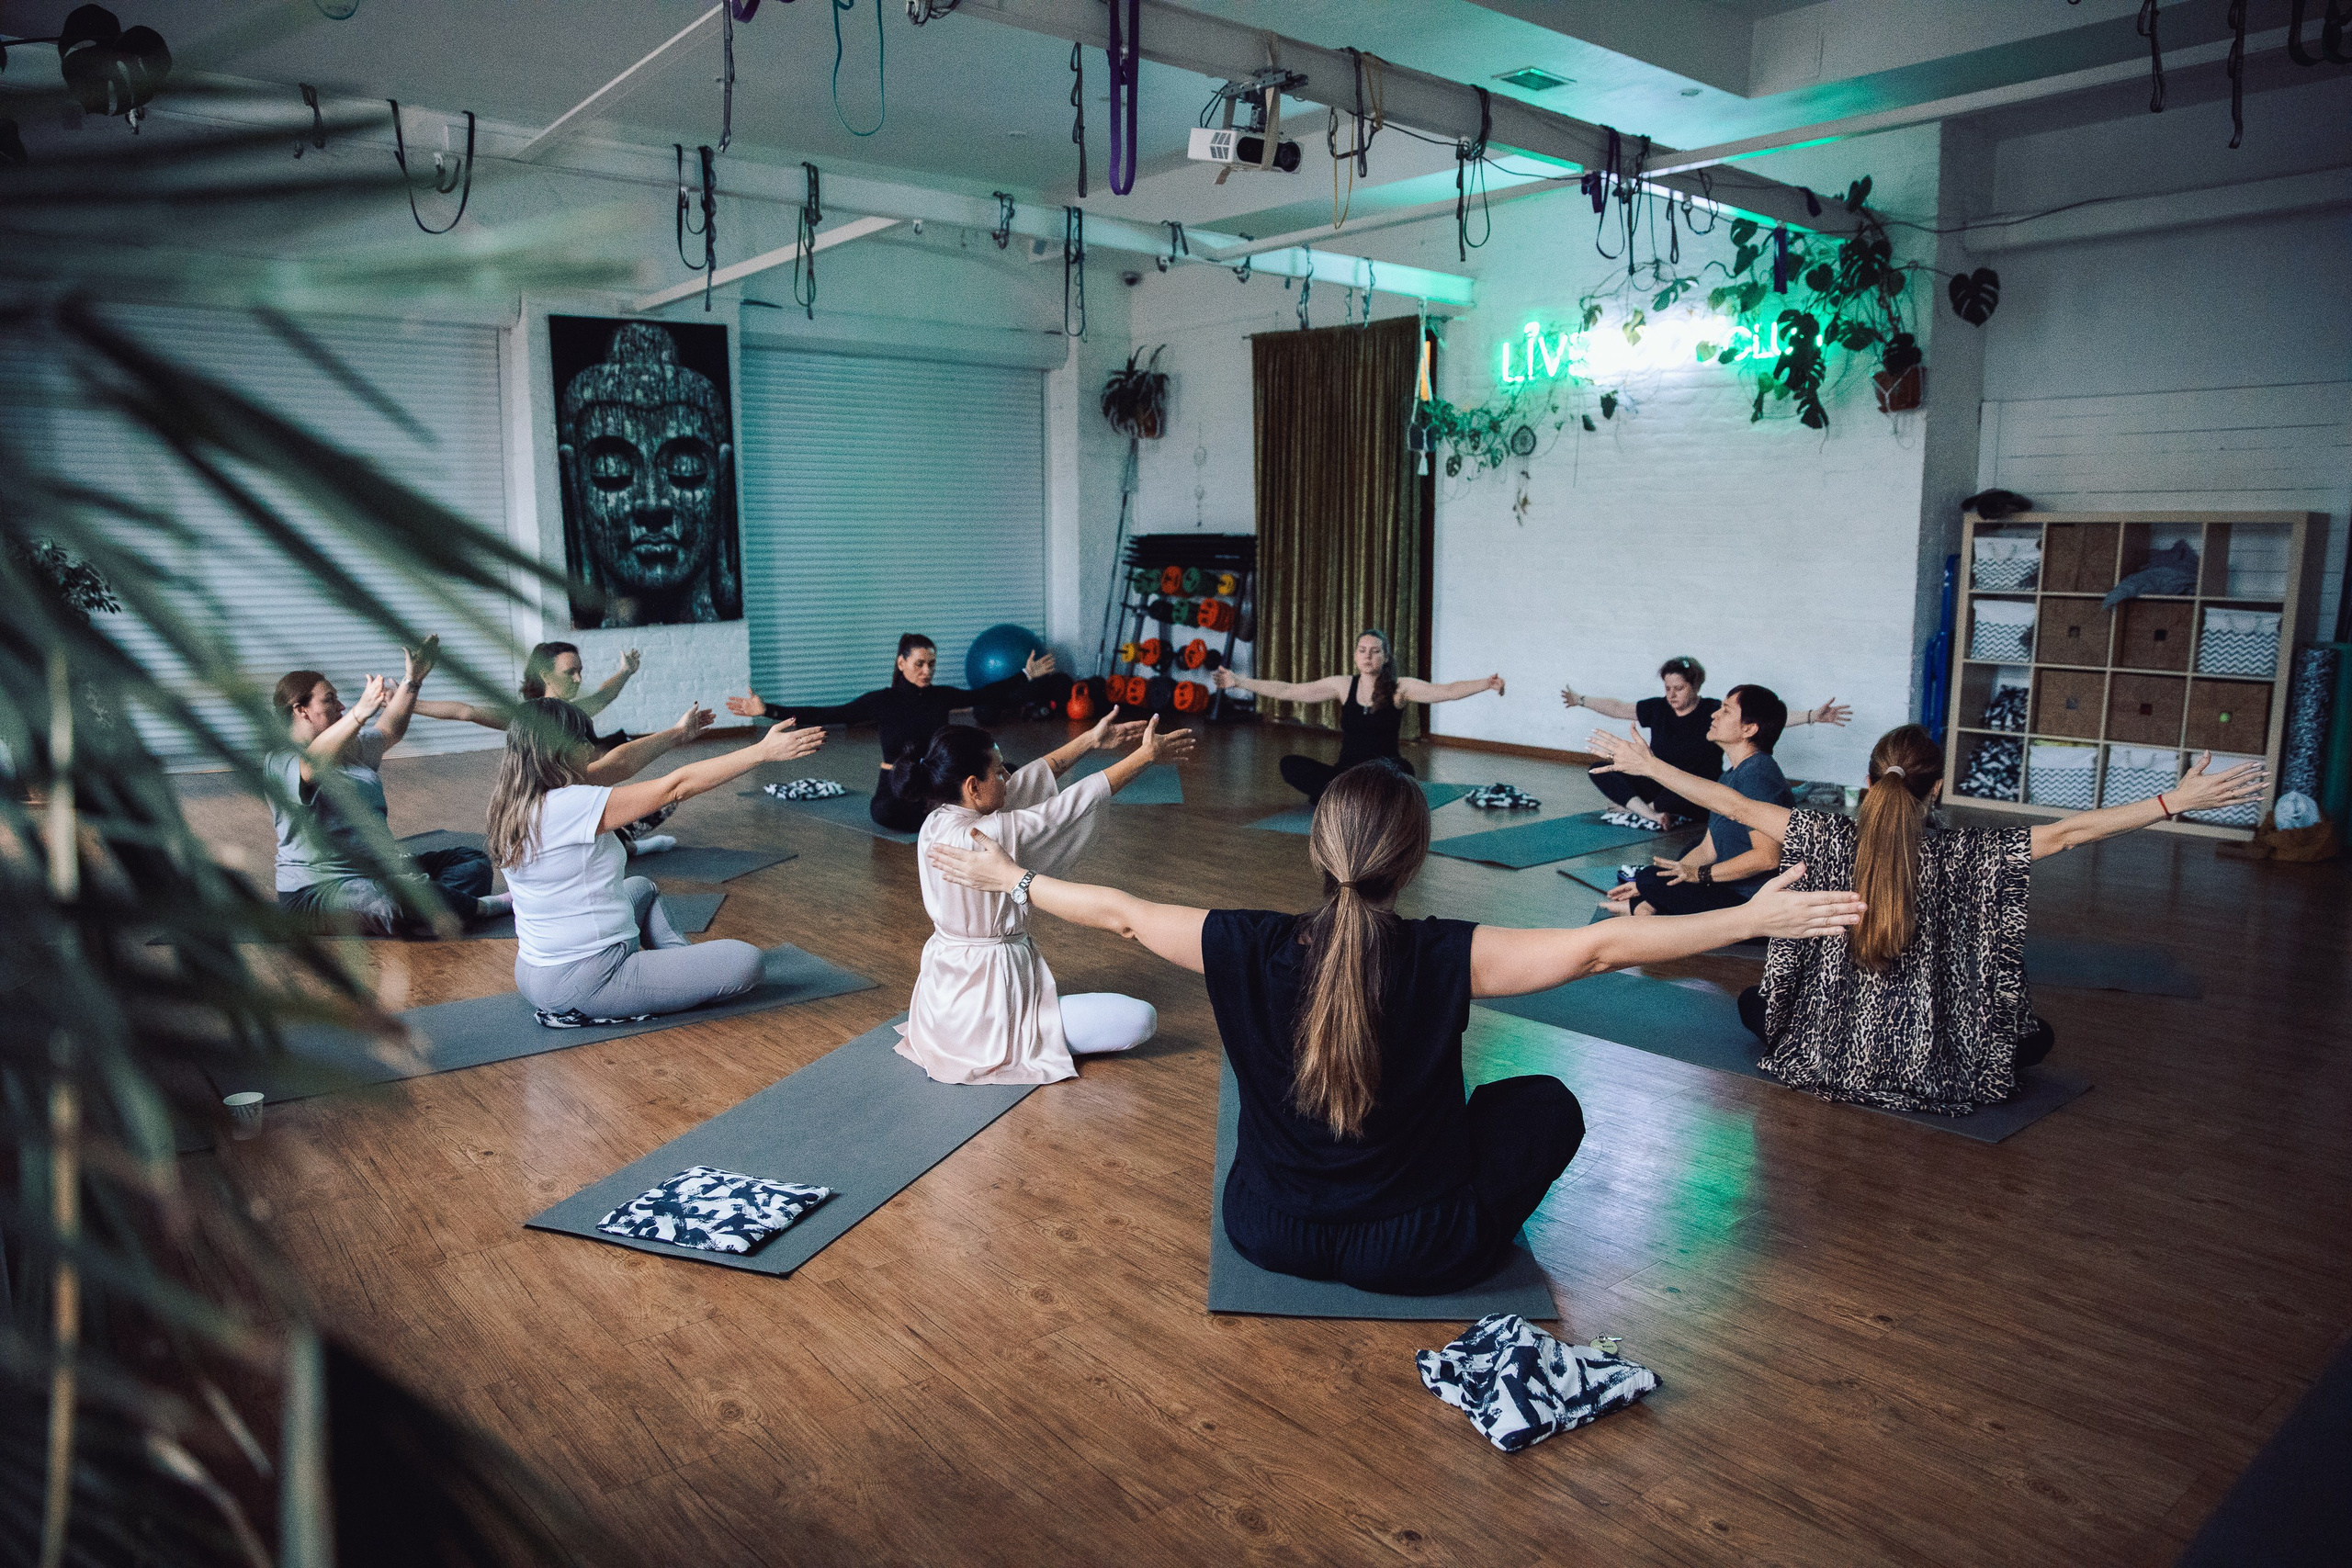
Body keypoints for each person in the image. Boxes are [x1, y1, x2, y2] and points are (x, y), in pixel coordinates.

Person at [927, 761, 1864, 1293]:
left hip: (1266, 1231)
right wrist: (1751, 918)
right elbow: (1597, 952)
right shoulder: (1443, 953)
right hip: (1419, 1248)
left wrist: (1013, 881)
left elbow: (1124, 913)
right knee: (1544, 1102)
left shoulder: (1245, 943)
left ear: (1316, 848)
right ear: (1413, 858)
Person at [1584, 722, 2266, 1115]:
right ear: (1934, 786)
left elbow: (1729, 805)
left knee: (1754, 1007)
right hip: (1936, 1060)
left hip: (1826, 1049)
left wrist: (1648, 763)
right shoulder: (1968, 851)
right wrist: (2174, 800)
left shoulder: (1822, 835)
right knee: (2034, 1038)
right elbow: (2068, 835)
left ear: (1869, 778)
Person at [892, 707, 1196, 1085]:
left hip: (943, 1002)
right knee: (1140, 1019)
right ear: (972, 786)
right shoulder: (986, 837)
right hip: (991, 998)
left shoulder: (936, 821)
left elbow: (1026, 781)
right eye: (998, 770)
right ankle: (1021, 1034)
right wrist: (1144, 757)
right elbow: (1065, 808)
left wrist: (1091, 740)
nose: (1008, 776)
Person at [485, 700, 827, 1028]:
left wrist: (678, 733)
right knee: (746, 962)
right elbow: (674, 788)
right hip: (587, 978)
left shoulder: (517, 798)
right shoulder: (568, 805)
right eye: (581, 741)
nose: (590, 750)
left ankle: (678, 970)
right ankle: (675, 980)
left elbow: (617, 765)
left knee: (641, 887)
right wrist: (761, 752)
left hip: (536, 972)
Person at [269, 637, 506, 937]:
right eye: (329, 699)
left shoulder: (353, 749)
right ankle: (480, 907)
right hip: (316, 890)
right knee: (396, 899)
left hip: (378, 872)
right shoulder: (281, 760)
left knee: (470, 862)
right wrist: (361, 711)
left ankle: (438, 911)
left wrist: (412, 680)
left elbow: (389, 728)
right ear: (301, 710)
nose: (341, 706)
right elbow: (315, 762)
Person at [724, 633, 1061, 832]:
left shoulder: (941, 696)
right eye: (919, 664)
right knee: (883, 813)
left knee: (1007, 771)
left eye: (931, 663)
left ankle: (958, 816)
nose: (927, 671)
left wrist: (1025, 676)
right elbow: (829, 714)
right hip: (897, 787)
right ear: (901, 663)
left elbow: (986, 695)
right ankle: (952, 819)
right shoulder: (881, 702)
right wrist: (767, 711)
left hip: (939, 783)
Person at [415, 642, 697, 853]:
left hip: (584, 796)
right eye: (570, 672)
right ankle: (634, 848)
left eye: (580, 672)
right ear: (545, 675)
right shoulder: (529, 716)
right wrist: (406, 697)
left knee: (664, 802)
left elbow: (606, 693)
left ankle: (628, 846)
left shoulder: (578, 709)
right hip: (553, 812)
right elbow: (466, 711)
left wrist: (625, 671)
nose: (578, 679)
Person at [1213, 628, 1504, 804]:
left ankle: (1346, 799)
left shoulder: (1400, 689)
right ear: (1355, 655)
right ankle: (1346, 796)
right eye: (1362, 650)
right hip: (1347, 774)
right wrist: (1239, 682)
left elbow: (1447, 691)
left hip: (1383, 772)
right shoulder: (1342, 686)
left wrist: (1485, 684)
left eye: (1375, 651)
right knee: (1290, 765)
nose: (1368, 656)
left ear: (1385, 657)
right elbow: (1289, 690)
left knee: (1405, 778)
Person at [1562, 657, 1849, 828]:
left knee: (1676, 796)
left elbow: (1764, 719)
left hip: (1697, 786)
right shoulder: (1658, 708)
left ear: (1695, 686)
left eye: (1679, 688)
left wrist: (1812, 716)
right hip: (1660, 779)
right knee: (1600, 768)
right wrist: (1581, 700)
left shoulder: (1713, 711)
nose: (1672, 695)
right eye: (1667, 688)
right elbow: (1618, 707)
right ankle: (1649, 813)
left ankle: (1635, 807)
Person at [1602, 685, 1793, 918]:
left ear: (1749, 729)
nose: (1714, 715)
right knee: (1657, 873)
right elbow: (1707, 849)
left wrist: (1699, 875)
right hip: (1726, 888)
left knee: (1650, 878)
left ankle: (1644, 910)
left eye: (1726, 710)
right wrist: (1650, 887)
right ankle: (1647, 906)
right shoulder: (1731, 774)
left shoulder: (1759, 774)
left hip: (1750, 901)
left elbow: (1768, 857)